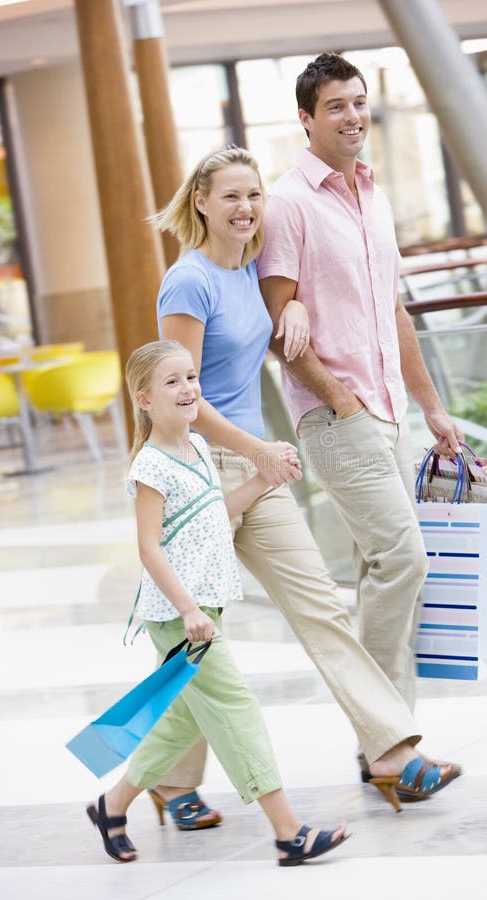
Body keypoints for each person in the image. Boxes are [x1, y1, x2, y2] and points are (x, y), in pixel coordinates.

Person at [145, 144, 460, 829]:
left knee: (319, 607)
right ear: (200, 201)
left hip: (261, 475)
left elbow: (284, 302)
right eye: (230, 195)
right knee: (201, 631)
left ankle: (388, 749)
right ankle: (168, 781)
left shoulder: (250, 270)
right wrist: (259, 451)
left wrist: (298, 314)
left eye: (253, 195)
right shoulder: (188, 281)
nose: (246, 207)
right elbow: (181, 395)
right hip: (201, 474)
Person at [256, 52, 465, 760]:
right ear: (306, 119)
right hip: (334, 417)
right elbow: (279, 322)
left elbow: (392, 310)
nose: (351, 116)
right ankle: (386, 741)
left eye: (358, 102)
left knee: (386, 567)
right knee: (404, 558)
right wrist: (341, 400)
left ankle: (387, 745)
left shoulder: (371, 194)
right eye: (335, 106)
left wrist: (430, 406)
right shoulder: (287, 203)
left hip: (388, 412)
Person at [86, 339, 348, 867]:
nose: (188, 389)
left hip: (206, 609)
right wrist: (188, 610)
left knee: (184, 722)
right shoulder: (150, 467)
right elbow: (148, 546)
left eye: (190, 378)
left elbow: (213, 515)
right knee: (235, 707)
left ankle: (112, 805)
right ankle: (287, 833)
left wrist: (262, 478)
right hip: (181, 617)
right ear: (144, 399)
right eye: (172, 382)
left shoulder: (199, 448)